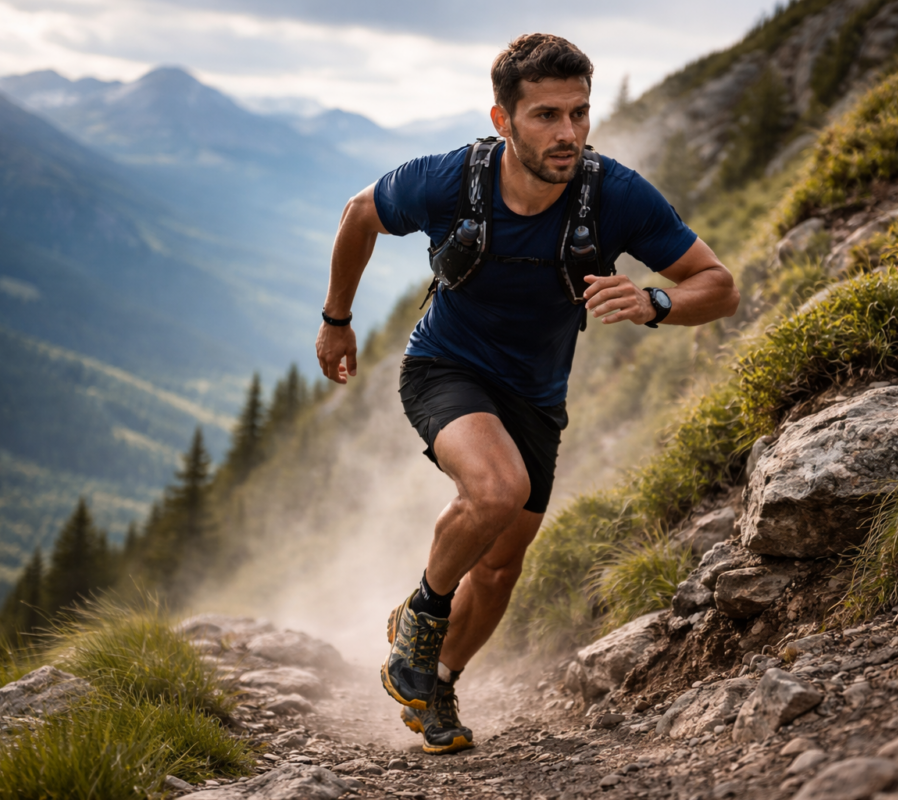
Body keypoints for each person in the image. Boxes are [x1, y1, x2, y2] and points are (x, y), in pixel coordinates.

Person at [315, 33, 739, 755]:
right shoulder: (451, 180)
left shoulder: (616, 196)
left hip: (537, 394)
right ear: (502, 119)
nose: (567, 132)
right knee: (496, 487)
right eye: (545, 115)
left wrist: (655, 303)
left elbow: (719, 287)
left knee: (503, 562)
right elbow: (360, 213)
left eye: (578, 113)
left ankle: (438, 676)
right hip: (446, 365)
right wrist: (336, 321)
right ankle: (420, 616)